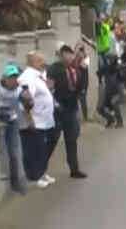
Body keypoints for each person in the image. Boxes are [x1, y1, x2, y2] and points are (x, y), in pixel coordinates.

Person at [45, 43, 88, 180]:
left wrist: (84, 70)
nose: (71, 57)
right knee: (52, 140)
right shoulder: (54, 69)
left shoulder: (75, 69)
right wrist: (54, 103)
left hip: (71, 108)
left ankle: (74, 169)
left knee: (72, 139)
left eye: (72, 55)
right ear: (62, 55)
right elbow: (49, 88)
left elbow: (81, 87)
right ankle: (40, 168)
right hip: (58, 109)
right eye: (68, 54)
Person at [18, 51, 57, 188]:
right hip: (36, 121)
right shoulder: (28, 77)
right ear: (31, 62)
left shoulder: (39, 75)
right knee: (34, 150)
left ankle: (42, 172)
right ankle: (35, 176)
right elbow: (25, 99)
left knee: (43, 149)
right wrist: (29, 119)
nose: (43, 63)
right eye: (39, 60)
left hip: (45, 120)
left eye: (43, 60)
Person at [0, 64, 33, 195]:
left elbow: (28, 104)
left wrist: (28, 100)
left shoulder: (18, 90)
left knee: (15, 153)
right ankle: (4, 178)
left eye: (15, 77)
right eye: (11, 78)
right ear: (5, 78)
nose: (13, 80)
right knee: (2, 152)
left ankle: (16, 183)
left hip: (12, 121)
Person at [74, 45, 91, 122]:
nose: (78, 53)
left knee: (83, 101)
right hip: (76, 84)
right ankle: (76, 117)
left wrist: (84, 87)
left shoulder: (86, 59)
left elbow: (83, 67)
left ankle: (85, 117)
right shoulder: (76, 59)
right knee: (75, 101)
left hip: (83, 84)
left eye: (80, 51)